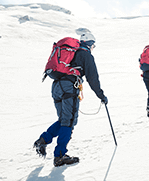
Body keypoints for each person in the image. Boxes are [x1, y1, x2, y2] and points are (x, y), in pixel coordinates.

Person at [34, 32, 108, 167]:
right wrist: (101, 95)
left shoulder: (70, 52)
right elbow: (93, 78)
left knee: (63, 120)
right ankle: (60, 156)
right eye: (94, 45)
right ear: (90, 44)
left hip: (56, 86)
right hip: (69, 87)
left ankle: (44, 139)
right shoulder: (86, 55)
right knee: (68, 122)